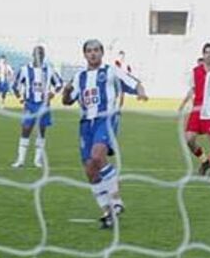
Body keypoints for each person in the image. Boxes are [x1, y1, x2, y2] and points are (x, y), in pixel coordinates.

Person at [63, 39, 148, 229]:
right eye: (89, 51)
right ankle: (108, 212)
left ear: (102, 53)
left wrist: (141, 92)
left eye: (96, 50)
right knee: (90, 169)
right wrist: (67, 92)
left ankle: (116, 201)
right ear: (84, 54)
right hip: (86, 124)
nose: (92, 54)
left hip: (106, 119)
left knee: (97, 156)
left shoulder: (111, 71)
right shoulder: (79, 77)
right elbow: (67, 101)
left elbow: (135, 83)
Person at [178, 42, 210, 178]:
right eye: (206, 52)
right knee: (189, 139)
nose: (208, 55)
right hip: (197, 110)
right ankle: (204, 161)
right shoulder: (196, 71)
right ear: (203, 54)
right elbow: (192, 90)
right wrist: (183, 104)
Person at [10, 45, 62, 169]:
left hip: (44, 105)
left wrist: (53, 93)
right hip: (30, 104)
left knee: (41, 131)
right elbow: (15, 85)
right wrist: (21, 99)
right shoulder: (24, 69)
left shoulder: (49, 70)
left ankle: (37, 161)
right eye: (37, 54)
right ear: (33, 55)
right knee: (26, 129)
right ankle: (21, 160)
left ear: (44, 56)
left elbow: (59, 83)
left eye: (41, 54)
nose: (39, 56)